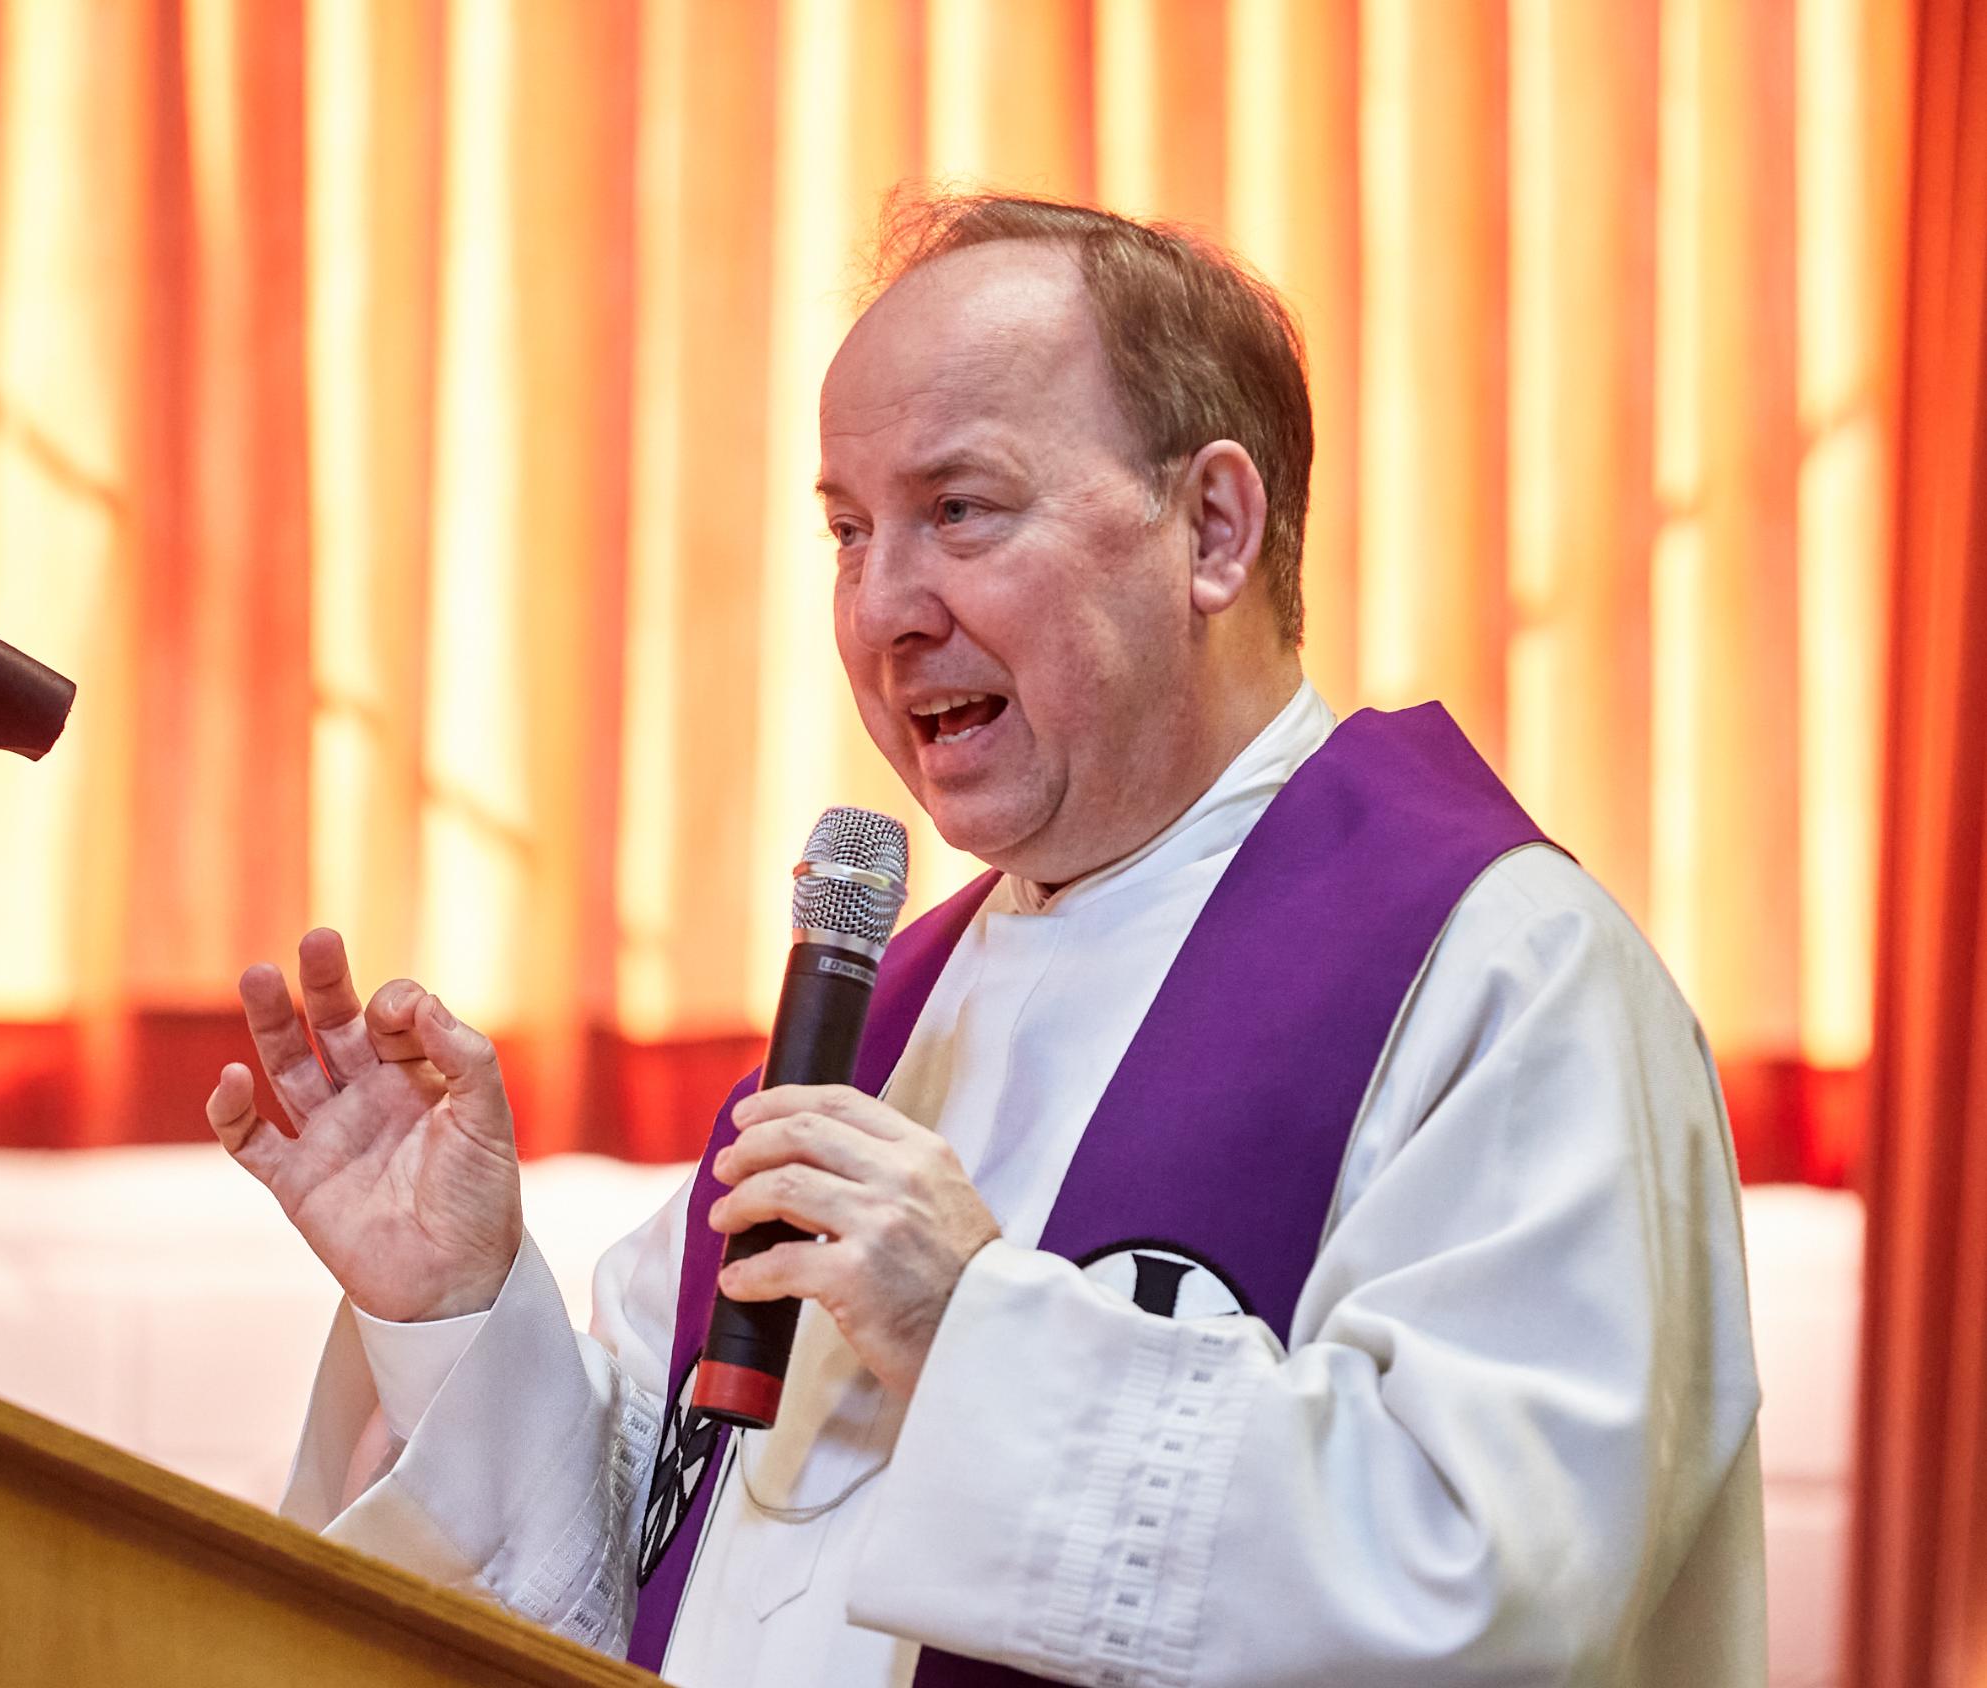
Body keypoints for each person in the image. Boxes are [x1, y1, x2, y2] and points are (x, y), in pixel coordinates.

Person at [206, 194, 1764, 1686]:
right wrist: (457, 1307)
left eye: (958, 509)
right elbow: (668, 1564)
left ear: (1211, 527)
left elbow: (1494, 1590)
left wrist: (973, 1333)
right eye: (844, 529)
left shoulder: (1496, 970)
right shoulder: (890, 1006)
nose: (882, 607)